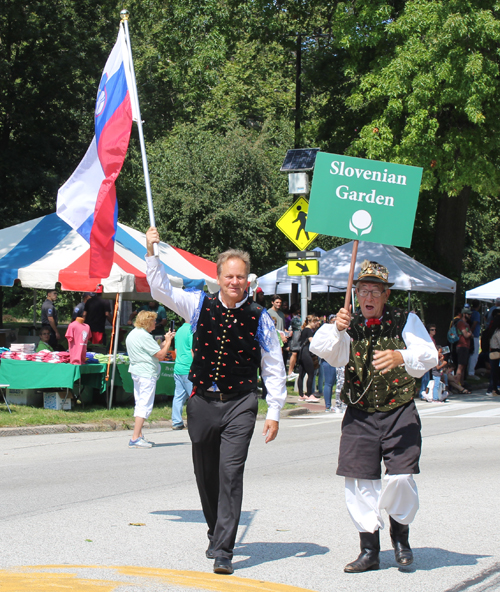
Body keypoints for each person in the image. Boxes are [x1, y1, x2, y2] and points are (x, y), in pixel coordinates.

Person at [145, 227, 287, 575]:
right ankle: (214, 528)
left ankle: (225, 548)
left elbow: (273, 366)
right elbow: (160, 289)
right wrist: (152, 252)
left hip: (240, 403)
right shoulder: (198, 305)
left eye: (240, 277)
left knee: (230, 474)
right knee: (205, 472)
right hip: (203, 402)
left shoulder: (260, 318)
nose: (234, 282)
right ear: (218, 277)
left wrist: (275, 411)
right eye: (229, 276)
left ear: (247, 280)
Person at [310, 260, 437, 573]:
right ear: (355, 294)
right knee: (359, 482)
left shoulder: (405, 321)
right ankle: (369, 550)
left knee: (402, 477)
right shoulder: (346, 323)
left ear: (386, 294)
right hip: (359, 413)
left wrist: (401, 356)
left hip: (399, 409)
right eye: (362, 290)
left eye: (374, 292)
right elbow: (322, 350)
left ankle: (400, 535)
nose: (367, 297)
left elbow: (431, 356)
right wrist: (336, 328)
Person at [126, 310, 174, 448]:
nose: (155, 323)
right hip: (146, 373)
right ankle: (135, 437)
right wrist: (169, 341)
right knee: (144, 405)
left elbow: (154, 350)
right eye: (153, 321)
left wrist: (165, 340)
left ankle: (139, 435)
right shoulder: (144, 336)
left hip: (137, 371)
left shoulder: (134, 334)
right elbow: (160, 355)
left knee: (140, 402)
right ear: (147, 322)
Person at [172, 321, 193, 430]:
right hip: (189, 367)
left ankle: (176, 421)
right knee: (194, 397)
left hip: (178, 367)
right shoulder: (192, 330)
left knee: (178, 396)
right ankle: (194, 421)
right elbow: (193, 350)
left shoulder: (180, 330)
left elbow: (175, 350)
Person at [297, 315, 320, 402]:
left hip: (301, 353)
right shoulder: (309, 330)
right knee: (311, 373)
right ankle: (309, 394)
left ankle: (301, 394)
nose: (316, 324)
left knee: (301, 374)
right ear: (310, 322)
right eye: (315, 322)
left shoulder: (303, 330)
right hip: (306, 353)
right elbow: (312, 342)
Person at [321, 314, 337, 412]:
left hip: (338, 358)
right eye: (333, 320)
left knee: (338, 383)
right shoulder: (326, 330)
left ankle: (338, 404)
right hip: (328, 358)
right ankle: (328, 405)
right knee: (329, 382)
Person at [456, 308, 472, 387]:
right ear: (464, 314)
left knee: (464, 366)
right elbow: (466, 335)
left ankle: (461, 383)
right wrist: (470, 333)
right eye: (468, 314)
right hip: (461, 345)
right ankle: (457, 384)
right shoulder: (461, 323)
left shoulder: (467, 324)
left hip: (466, 346)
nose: (470, 316)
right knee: (460, 366)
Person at [487, 315, 500, 396]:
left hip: (492, 352)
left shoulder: (492, 331)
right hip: (497, 352)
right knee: (495, 372)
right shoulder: (498, 332)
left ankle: (493, 388)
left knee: (494, 372)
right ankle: (492, 388)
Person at [467, 300, 481, 376]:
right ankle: (471, 372)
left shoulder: (470, 312)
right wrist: (471, 332)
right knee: (474, 354)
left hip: (470, 335)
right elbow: (475, 324)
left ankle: (469, 371)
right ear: (478, 306)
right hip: (474, 335)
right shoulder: (476, 314)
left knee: (470, 354)